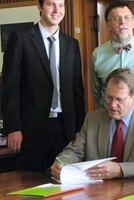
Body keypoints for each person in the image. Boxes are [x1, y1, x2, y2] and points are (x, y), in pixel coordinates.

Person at [1, 0, 85, 171]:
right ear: (39, 7)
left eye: (61, 5)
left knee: (64, 182)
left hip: (64, 127)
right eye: (51, 4)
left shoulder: (71, 44)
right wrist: (13, 128)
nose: (57, 10)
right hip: (31, 128)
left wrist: (79, 129)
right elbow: (10, 87)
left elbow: (77, 91)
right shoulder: (21, 38)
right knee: (30, 183)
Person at [51, 67, 134, 180]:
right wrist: (62, 162)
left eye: (119, 99)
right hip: (96, 190)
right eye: (109, 97)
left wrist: (120, 169)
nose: (112, 105)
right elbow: (75, 150)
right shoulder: (92, 118)